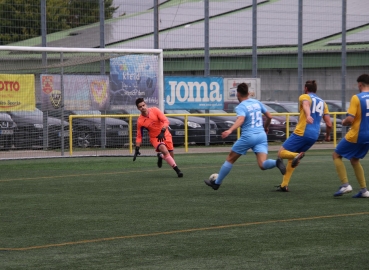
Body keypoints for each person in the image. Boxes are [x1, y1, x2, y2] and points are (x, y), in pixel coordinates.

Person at [204, 83, 286, 190]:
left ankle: (217, 183)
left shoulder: (241, 106)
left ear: (238, 94)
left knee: (230, 159)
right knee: (262, 164)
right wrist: (266, 127)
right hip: (261, 136)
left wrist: (230, 130)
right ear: (248, 93)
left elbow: (241, 119)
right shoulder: (257, 102)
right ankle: (277, 162)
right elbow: (269, 116)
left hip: (249, 136)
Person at [276, 80, 332, 192]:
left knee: (281, 153)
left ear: (306, 89)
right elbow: (329, 123)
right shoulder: (323, 102)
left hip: (302, 131)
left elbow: (306, 104)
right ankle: (284, 185)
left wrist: (308, 115)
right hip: (314, 135)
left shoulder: (304, 96)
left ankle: (296, 155)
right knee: (292, 160)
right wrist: (327, 136)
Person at [332, 74, 369, 198]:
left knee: (336, 155)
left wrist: (343, 122)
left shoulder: (357, 98)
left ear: (360, 84)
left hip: (357, 134)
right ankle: (364, 190)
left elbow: (350, 119)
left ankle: (345, 184)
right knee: (355, 160)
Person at [133, 98, 183, 178]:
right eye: (140, 107)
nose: (142, 107)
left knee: (171, 157)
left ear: (146, 104)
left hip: (165, 134)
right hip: (155, 138)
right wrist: (137, 148)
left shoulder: (155, 110)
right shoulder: (140, 121)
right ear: (138, 108)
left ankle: (160, 156)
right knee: (163, 149)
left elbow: (166, 121)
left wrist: (162, 131)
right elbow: (139, 136)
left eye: (143, 105)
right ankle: (178, 171)